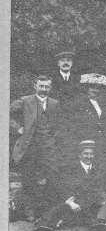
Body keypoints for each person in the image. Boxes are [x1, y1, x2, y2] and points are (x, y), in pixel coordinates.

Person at [10, 75, 63, 220]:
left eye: (47, 87)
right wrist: (18, 128)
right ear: (35, 86)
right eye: (41, 86)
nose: (44, 89)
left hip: (48, 148)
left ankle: (46, 211)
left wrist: (53, 138)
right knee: (28, 180)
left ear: (50, 88)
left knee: (51, 178)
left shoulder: (54, 103)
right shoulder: (25, 101)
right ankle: (30, 212)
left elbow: (58, 125)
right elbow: (7, 114)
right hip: (29, 148)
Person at [32, 140, 106, 231]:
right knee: (62, 207)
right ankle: (45, 225)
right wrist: (71, 202)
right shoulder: (70, 169)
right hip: (73, 201)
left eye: (91, 154)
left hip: (90, 202)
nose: (89, 157)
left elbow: (98, 188)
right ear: (79, 155)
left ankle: (95, 223)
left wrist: (102, 199)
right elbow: (64, 187)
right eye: (85, 154)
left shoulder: (98, 169)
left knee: (82, 213)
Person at [72, 73, 106, 152]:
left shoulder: (103, 104)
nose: (95, 90)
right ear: (86, 88)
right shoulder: (79, 104)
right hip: (86, 145)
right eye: (92, 87)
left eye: (98, 88)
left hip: (102, 144)